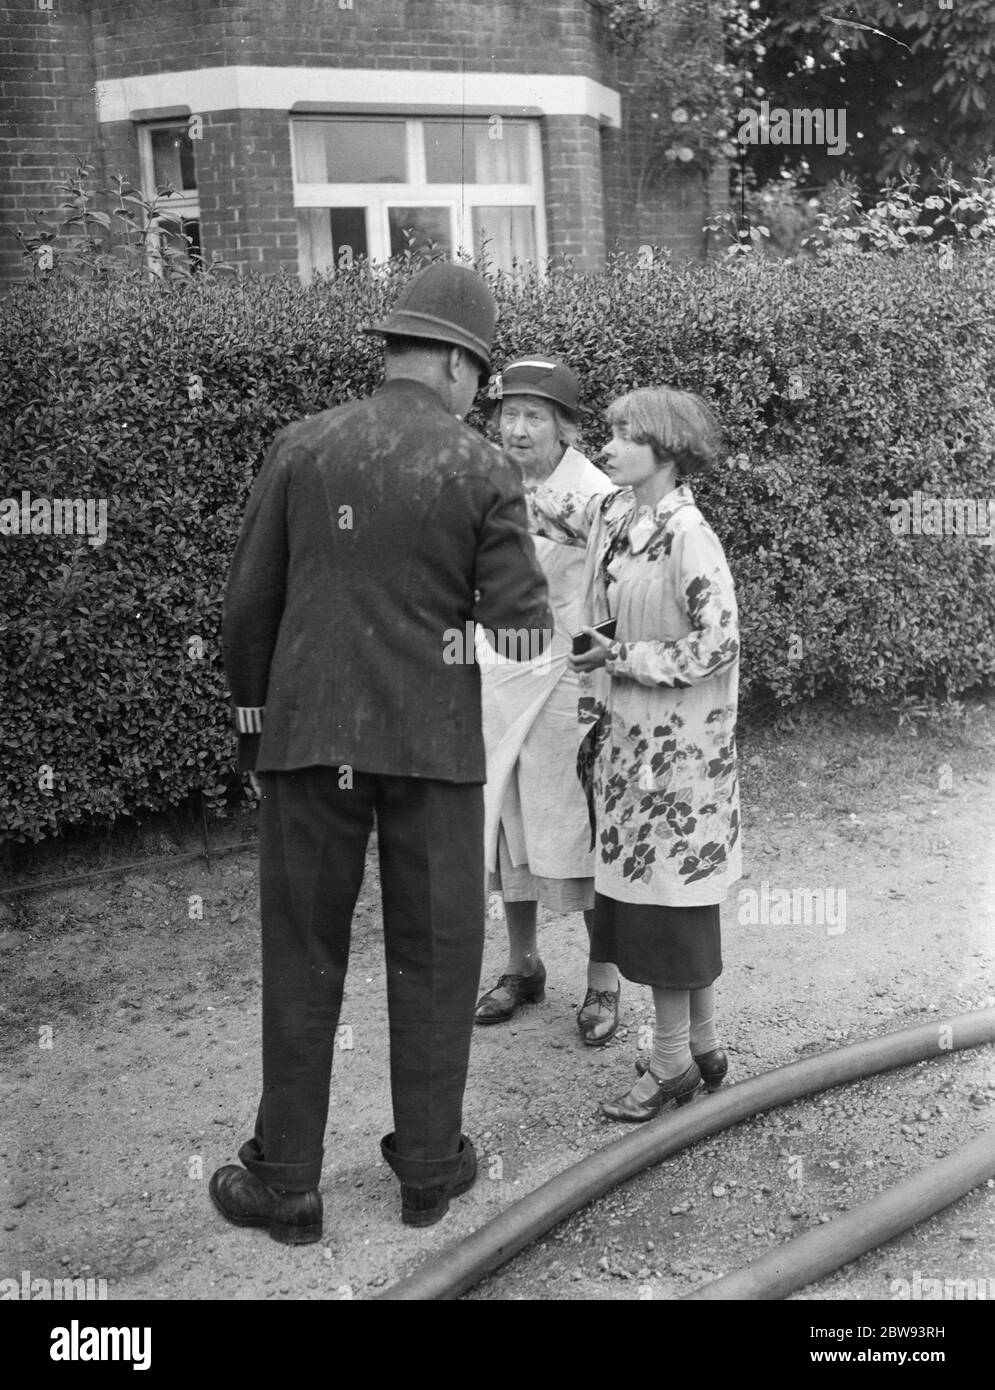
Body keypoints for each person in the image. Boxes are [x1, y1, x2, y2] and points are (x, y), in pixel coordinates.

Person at [211, 263, 554, 1241]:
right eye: (480, 379)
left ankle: (285, 1183)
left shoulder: (302, 445)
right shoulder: (483, 468)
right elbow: (522, 632)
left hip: (308, 737)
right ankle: (429, 1171)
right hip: (433, 747)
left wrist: (255, 723)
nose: (480, 398)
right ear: (454, 363)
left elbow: (247, 610)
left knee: (302, 951)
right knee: (440, 952)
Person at [527, 386, 741, 1122]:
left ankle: (672, 1062)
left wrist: (622, 656)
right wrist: (494, 468)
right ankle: (704, 1044)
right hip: (626, 749)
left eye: (623, 437)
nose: (606, 448)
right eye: (609, 434)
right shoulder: (615, 512)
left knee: (668, 911)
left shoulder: (688, 533)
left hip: (678, 760)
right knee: (654, 902)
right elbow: (545, 508)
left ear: (667, 450)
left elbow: (719, 643)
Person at [474, 358, 621, 1044]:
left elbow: (619, 595)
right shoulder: (486, 476)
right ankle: (521, 965)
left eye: (536, 416)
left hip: (567, 678)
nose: (519, 427)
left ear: (564, 426)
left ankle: (602, 981)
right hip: (497, 672)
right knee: (508, 819)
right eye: (510, 413)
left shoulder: (597, 493)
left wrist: (605, 675)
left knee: (575, 824)